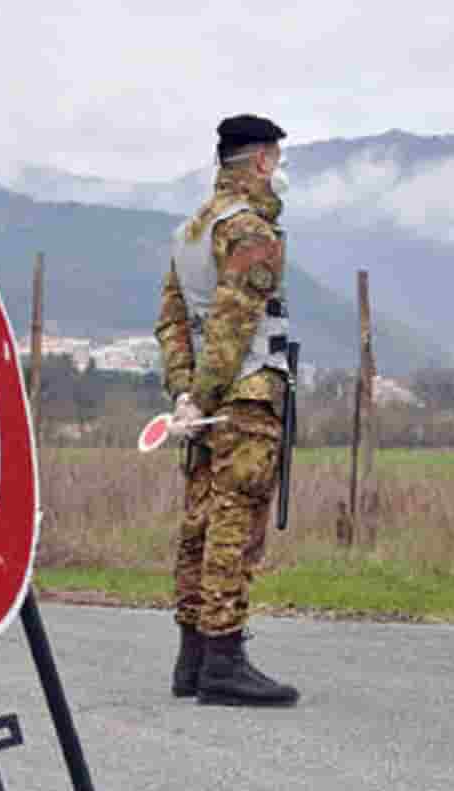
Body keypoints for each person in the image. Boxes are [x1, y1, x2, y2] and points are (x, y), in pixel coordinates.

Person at [153, 114, 299, 707]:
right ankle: (223, 658)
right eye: (277, 158)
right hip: (244, 400)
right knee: (234, 525)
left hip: (202, 406)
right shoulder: (249, 231)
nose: (279, 170)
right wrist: (207, 396)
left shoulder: (190, 232)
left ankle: (191, 659)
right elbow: (234, 326)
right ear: (261, 161)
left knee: (199, 523)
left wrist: (184, 395)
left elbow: (172, 323)